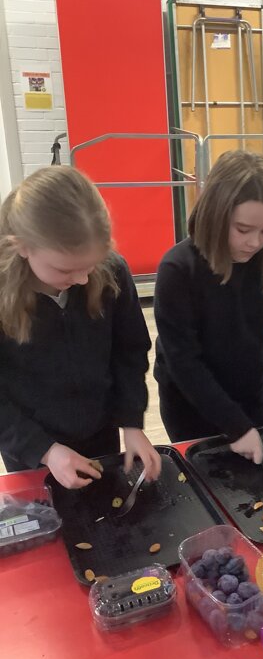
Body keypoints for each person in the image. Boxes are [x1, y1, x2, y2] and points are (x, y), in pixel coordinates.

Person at [0, 166, 161, 488]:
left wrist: (131, 422)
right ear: (23, 247)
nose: (83, 279)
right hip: (29, 445)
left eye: (90, 265)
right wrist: (44, 450)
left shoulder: (112, 272)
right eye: (65, 269)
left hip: (100, 431)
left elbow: (129, 353)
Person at [154, 150, 263, 469]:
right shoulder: (177, 269)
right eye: (243, 229)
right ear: (216, 215)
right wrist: (235, 426)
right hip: (190, 403)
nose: (255, 242)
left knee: (255, 481)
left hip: (250, 393)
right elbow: (183, 361)